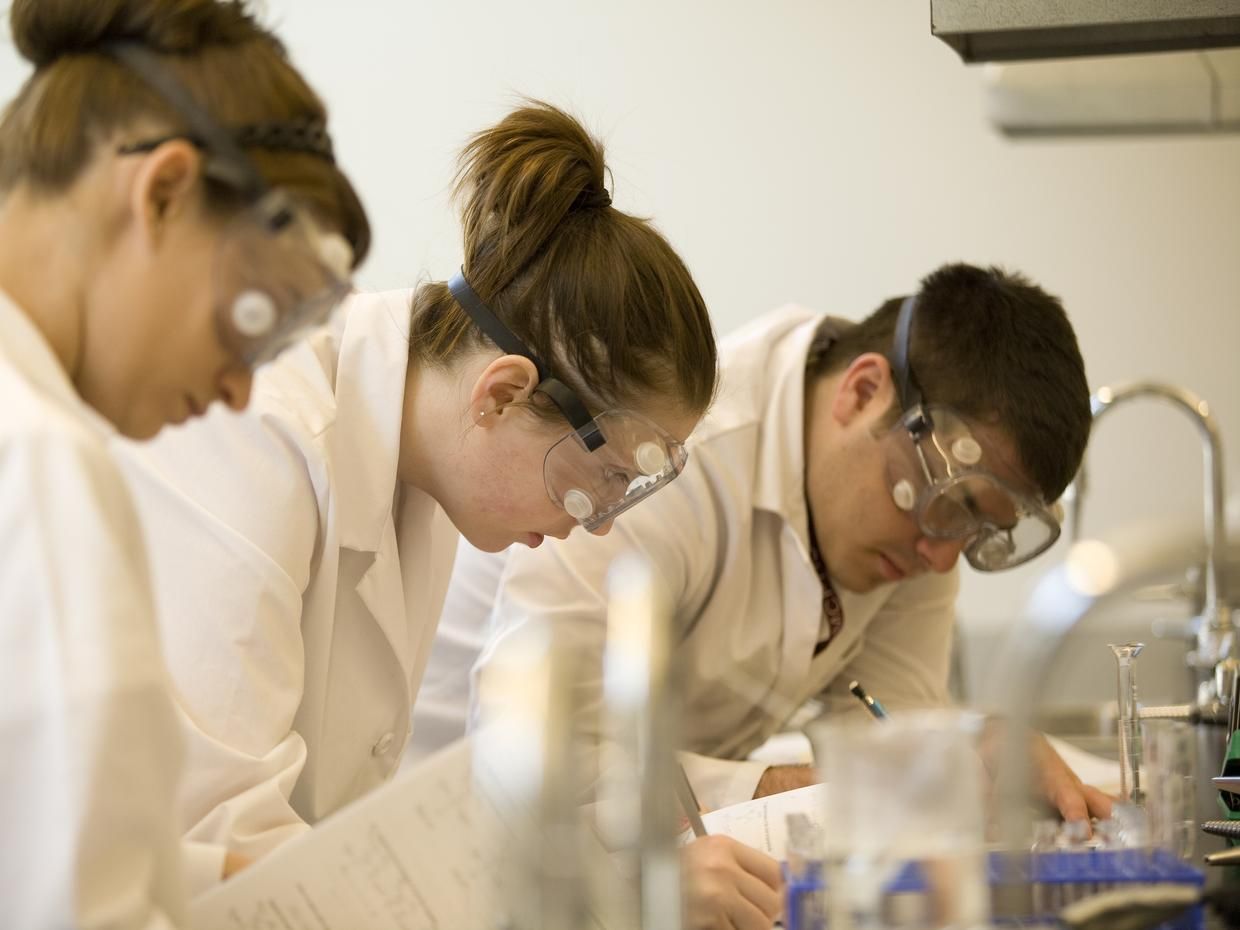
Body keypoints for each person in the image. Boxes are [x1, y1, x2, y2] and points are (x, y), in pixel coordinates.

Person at [115, 100, 723, 894]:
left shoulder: (428, 469)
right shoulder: (263, 430)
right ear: (501, 395)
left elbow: (351, 829)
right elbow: (229, 846)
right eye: (601, 481)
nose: (593, 525)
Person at [454, 262, 1105, 930]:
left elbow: (888, 742)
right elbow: (543, 762)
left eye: (976, 532)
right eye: (949, 506)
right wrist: (843, 788)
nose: (941, 557)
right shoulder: (667, 462)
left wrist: (965, 750)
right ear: (863, 391)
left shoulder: (917, 537)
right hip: (459, 869)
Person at [0, 0, 368, 926]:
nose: (243, 392)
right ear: (161, 190)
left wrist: (206, 878)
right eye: (254, 315)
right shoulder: (42, 461)